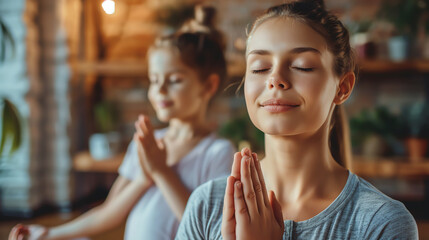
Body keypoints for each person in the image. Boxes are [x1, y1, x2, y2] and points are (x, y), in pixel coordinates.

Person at [176, 1, 419, 239]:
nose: (275, 79)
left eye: (302, 66)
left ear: (342, 88)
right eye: (260, 68)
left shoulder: (382, 222)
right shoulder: (206, 205)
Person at [9, 5, 235, 240]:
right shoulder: (149, 143)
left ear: (208, 86)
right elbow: (109, 212)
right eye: (154, 79)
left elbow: (207, 229)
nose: (159, 90)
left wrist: (160, 171)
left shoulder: (218, 152)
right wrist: (49, 233)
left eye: (175, 80)